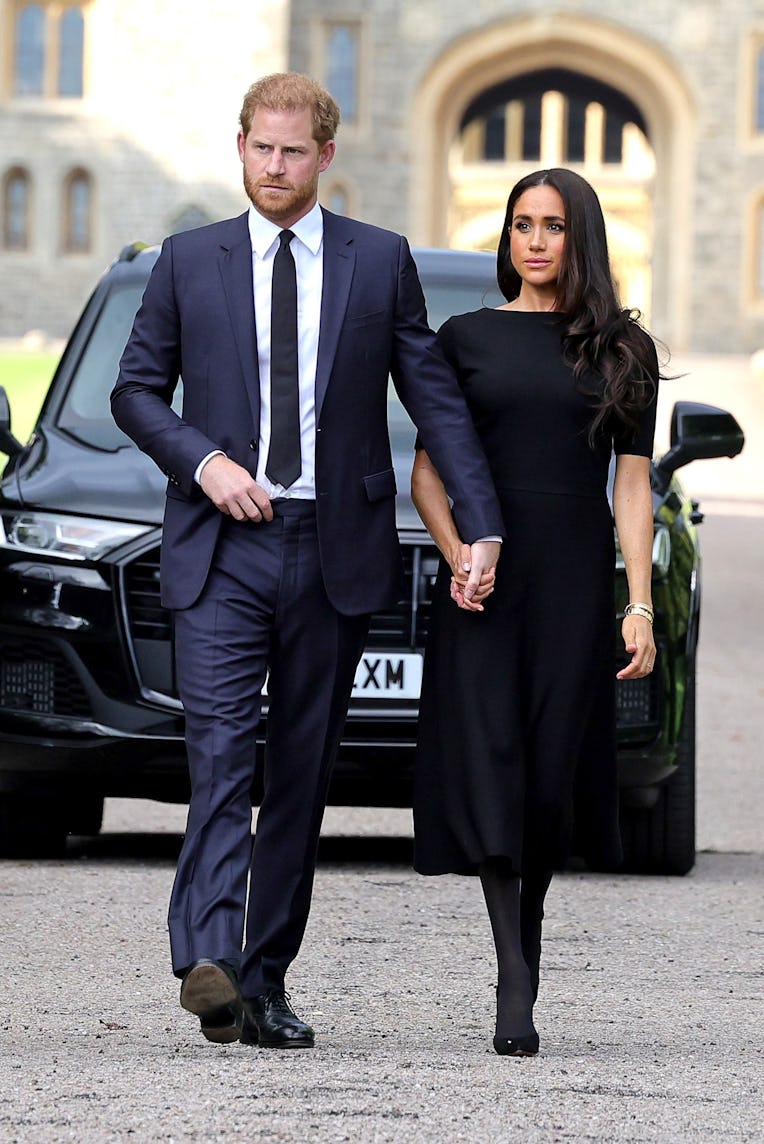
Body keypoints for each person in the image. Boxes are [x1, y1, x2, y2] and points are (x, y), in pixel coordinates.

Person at [110, 72, 504, 1050]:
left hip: (335, 549)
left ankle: (264, 978)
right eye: (259, 149)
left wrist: (481, 519)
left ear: (325, 155)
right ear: (238, 145)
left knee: (298, 773)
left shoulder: (378, 263)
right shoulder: (184, 262)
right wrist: (204, 463)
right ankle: (207, 957)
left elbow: (433, 398)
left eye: (292, 152)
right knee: (219, 754)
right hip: (222, 547)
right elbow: (135, 392)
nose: (274, 168)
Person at [411, 168, 660, 1058]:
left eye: (554, 225)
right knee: (493, 759)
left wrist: (638, 604)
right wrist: (456, 557)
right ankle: (515, 974)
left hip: (573, 580)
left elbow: (634, 485)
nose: (536, 241)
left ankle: (529, 934)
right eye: (522, 225)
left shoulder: (624, 349)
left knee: (550, 772)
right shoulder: (465, 338)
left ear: (580, 236)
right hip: (489, 581)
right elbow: (431, 470)